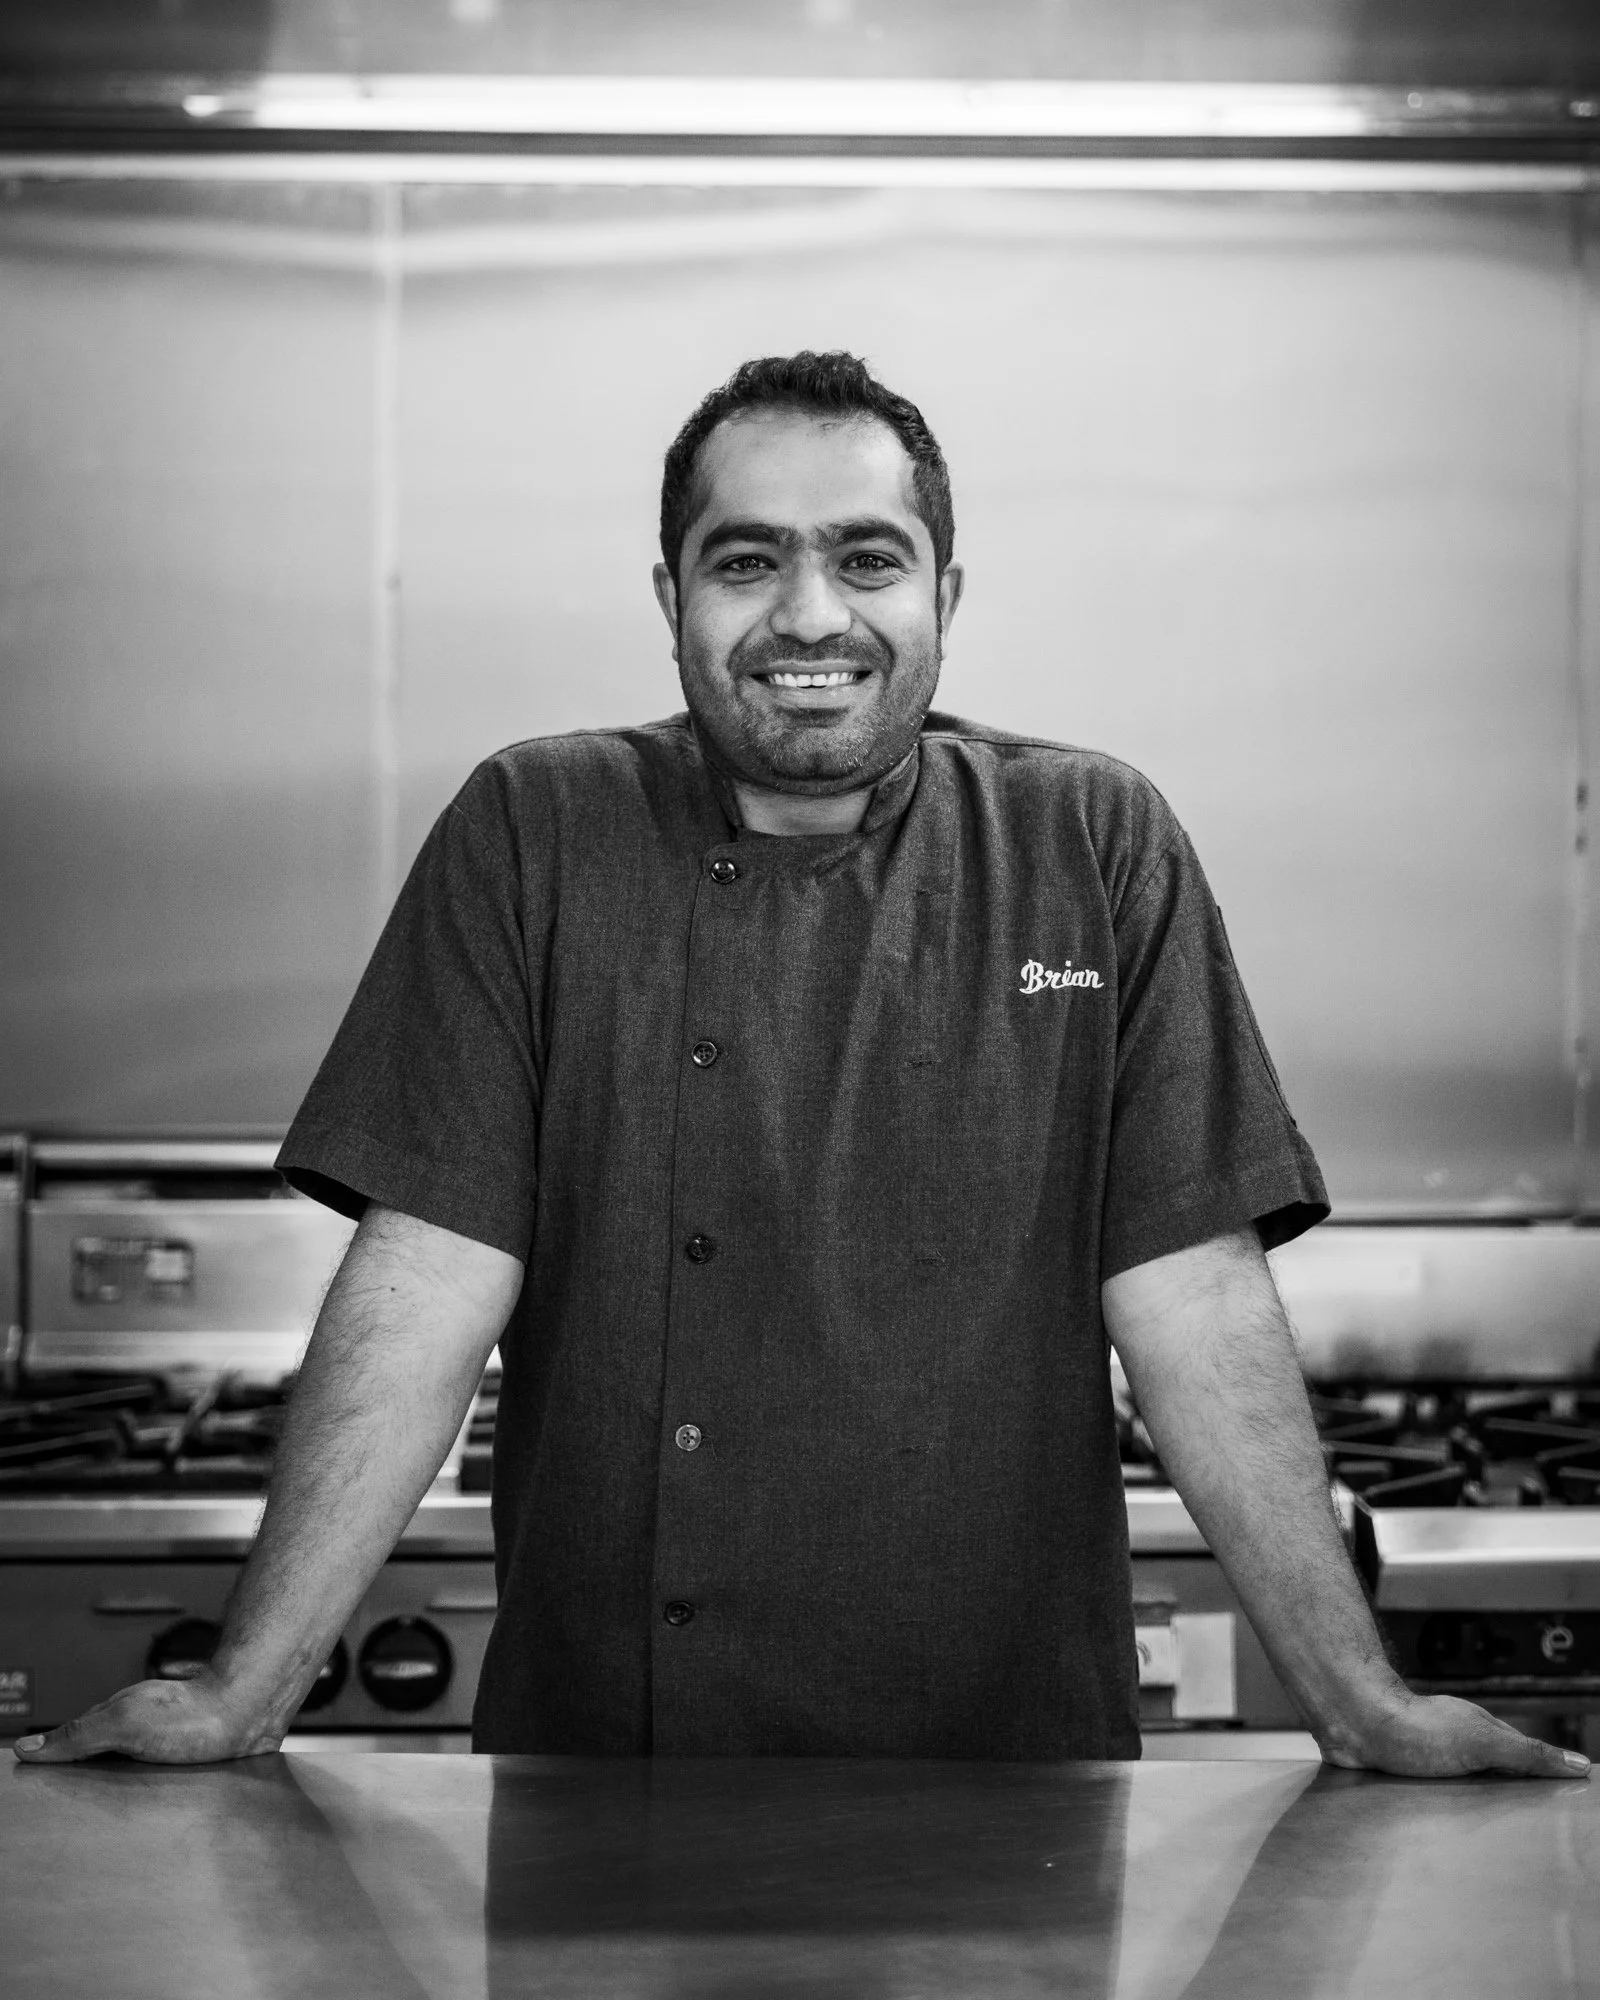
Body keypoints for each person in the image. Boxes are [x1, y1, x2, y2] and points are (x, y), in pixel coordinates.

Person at [16, 352, 1587, 1778]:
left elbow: (1193, 1293)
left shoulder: (1089, 844)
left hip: (1014, 1778)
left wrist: (1357, 1701)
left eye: (867, 557)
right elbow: (426, 1278)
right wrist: (244, 1690)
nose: (811, 615)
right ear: (671, 593)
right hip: (608, 1772)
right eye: (748, 559)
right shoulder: (535, 832)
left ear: (945, 595)